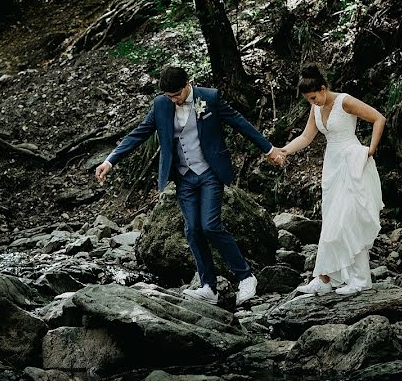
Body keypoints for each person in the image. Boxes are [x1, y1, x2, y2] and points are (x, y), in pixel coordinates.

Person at [95, 66, 286, 306]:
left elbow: (239, 122)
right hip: (183, 177)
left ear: (188, 83)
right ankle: (209, 287)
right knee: (192, 229)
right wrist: (109, 161)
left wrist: (268, 149)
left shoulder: (210, 98)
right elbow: (138, 134)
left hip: (209, 171)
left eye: (177, 94)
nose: (174, 100)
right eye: (169, 96)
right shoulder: (161, 105)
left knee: (210, 225)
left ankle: (246, 277)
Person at [282, 65, 386, 295]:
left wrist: (370, 150)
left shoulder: (345, 101)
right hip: (332, 166)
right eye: (308, 100)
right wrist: (285, 150)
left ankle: (361, 280)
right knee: (331, 221)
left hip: (352, 162)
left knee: (348, 219)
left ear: (323, 88)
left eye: (314, 97)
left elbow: (378, 118)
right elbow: (306, 136)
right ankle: (325, 278)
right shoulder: (316, 108)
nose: (313, 102)